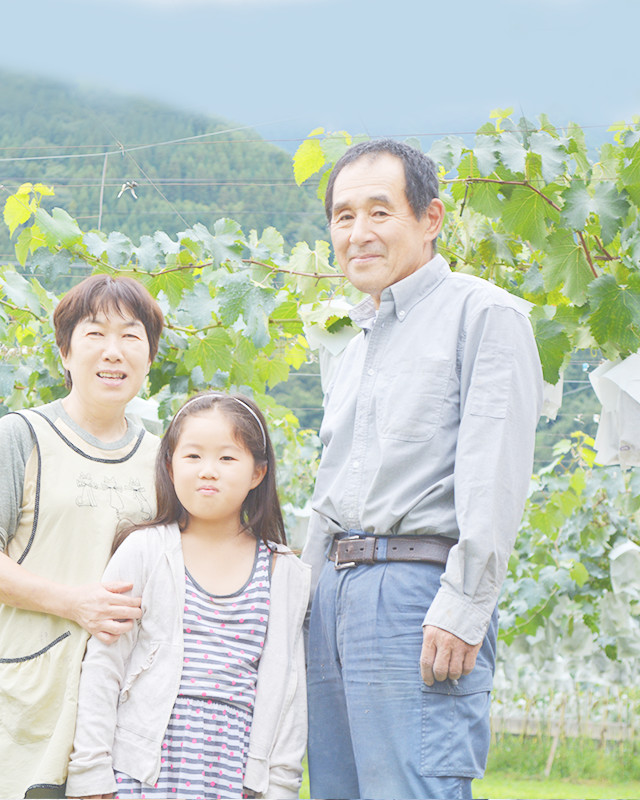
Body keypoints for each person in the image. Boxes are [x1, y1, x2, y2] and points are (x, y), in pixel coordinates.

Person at [301, 139, 543, 800]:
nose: (358, 233)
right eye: (343, 217)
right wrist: (300, 599)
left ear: (430, 218)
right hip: (333, 599)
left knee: (414, 789)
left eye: (379, 212)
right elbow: (329, 492)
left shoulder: (484, 315)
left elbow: (496, 473)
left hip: (417, 592)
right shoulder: (352, 343)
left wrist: (466, 601)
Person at [66, 392, 311, 800]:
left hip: (234, 771)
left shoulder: (282, 570)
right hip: (143, 769)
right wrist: (91, 773)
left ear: (258, 472)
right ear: (169, 465)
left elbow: (287, 686)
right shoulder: (144, 550)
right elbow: (104, 666)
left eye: (227, 458)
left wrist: (279, 786)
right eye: (193, 457)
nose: (208, 472)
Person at [0, 275, 164, 799]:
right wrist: (75, 603)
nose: (112, 352)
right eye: (95, 334)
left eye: (131, 336)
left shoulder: (164, 459)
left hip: (119, 709)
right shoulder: (20, 436)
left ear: (150, 357)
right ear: (65, 353)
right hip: (26, 694)